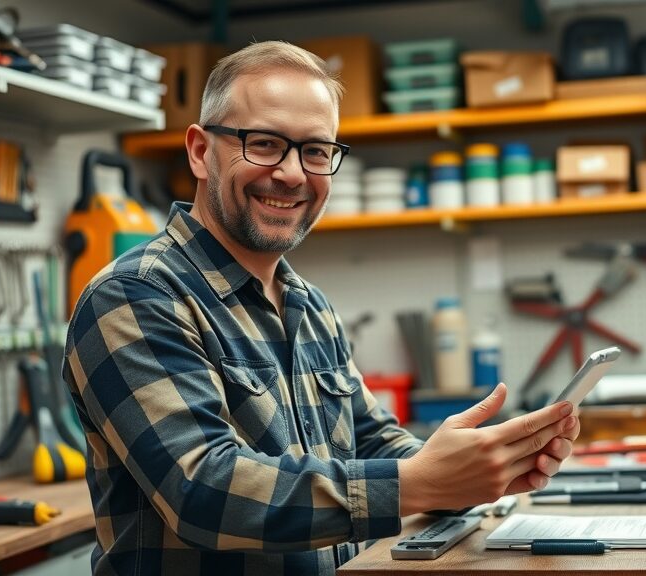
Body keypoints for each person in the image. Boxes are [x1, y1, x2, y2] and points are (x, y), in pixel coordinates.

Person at [63, 40, 580, 576]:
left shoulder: (308, 305)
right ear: (199, 151)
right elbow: (202, 490)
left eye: (315, 151)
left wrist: (481, 467)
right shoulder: (136, 296)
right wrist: (421, 482)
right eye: (264, 144)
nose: (291, 174)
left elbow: (372, 441)